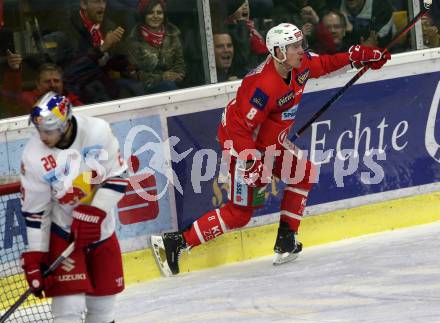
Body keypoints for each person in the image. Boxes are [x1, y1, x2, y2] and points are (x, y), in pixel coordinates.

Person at [151, 23, 391, 276]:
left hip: (270, 144)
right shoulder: (262, 87)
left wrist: (356, 57)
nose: (302, 50)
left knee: (304, 173)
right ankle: (175, 243)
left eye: (301, 44)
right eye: (295, 47)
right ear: (278, 51)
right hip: (244, 148)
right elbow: (238, 129)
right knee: (239, 213)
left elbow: (324, 64)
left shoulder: (299, 65)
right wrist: (251, 162)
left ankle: (286, 240)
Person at [20, 91, 128, 323]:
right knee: (67, 310)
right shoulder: (33, 154)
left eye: (48, 131)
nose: (42, 136)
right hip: (63, 235)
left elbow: (118, 178)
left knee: (103, 309)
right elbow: (36, 213)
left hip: (102, 232)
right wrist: (36, 254)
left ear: (66, 124)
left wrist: (95, 212)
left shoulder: (97, 131)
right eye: (39, 130)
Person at [122, 0, 186, 94]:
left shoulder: (173, 35)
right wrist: (162, 77)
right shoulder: (133, 40)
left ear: (164, 16)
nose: (155, 16)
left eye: (159, 13)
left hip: (173, 85)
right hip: (145, 89)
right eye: (150, 13)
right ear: (143, 15)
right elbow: (134, 74)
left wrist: (177, 75)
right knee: (168, 86)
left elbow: (180, 64)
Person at [1, 58, 83, 115]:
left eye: (56, 81)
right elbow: (11, 100)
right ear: (38, 84)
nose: (52, 85)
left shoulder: (72, 102)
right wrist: (14, 71)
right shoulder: (28, 100)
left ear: (62, 83)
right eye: (47, 81)